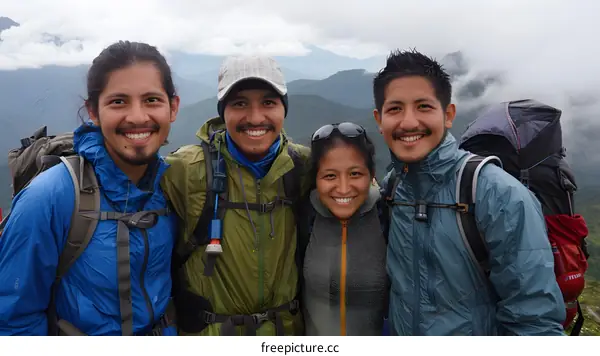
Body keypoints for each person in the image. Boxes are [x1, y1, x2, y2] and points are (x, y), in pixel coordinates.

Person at [373, 49, 566, 336]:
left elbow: (534, 323)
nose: (409, 122)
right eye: (395, 109)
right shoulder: (393, 187)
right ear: (379, 119)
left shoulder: (499, 196)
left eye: (424, 106)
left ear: (448, 114)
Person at [0, 41, 180, 336]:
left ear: (173, 107)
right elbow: (12, 321)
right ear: (93, 111)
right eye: (118, 101)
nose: (137, 116)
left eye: (151, 100)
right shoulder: (50, 198)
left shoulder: (174, 187)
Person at [161, 55, 312, 336]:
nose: (255, 118)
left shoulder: (304, 167)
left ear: (283, 108)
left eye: (268, 102)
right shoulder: (186, 170)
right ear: (223, 111)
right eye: (239, 103)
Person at [301, 122, 388, 336]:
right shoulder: (303, 217)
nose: (343, 188)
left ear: (372, 174)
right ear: (316, 179)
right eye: (330, 176)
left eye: (355, 174)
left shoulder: (388, 216)